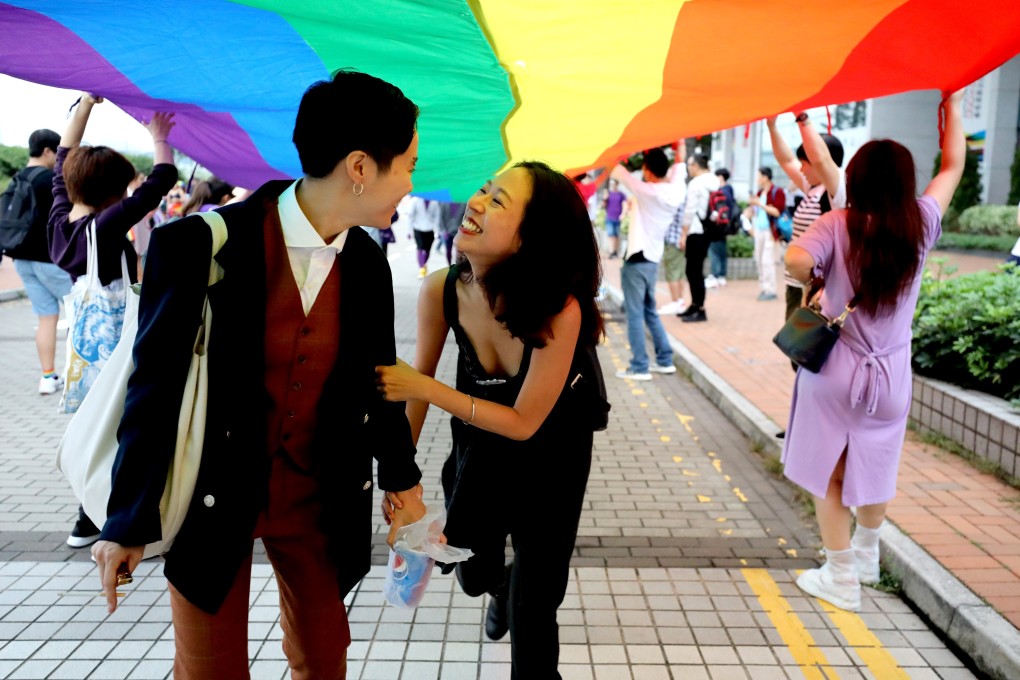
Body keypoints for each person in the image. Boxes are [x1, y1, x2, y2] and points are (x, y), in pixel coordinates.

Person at [90, 71, 427, 679]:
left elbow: (379, 382)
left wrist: (403, 481)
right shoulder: (199, 246)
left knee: (324, 659)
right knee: (211, 670)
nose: (411, 182)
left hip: (316, 494)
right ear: (359, 166)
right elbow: (155, 387)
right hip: (211, 490)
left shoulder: (368, 263)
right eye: (406, 165)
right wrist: (127, 520)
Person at [376, 161, 606, 679]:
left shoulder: (559, 308)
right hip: (481, 447)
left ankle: (526, 606)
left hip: (555, 451)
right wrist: (400, 480)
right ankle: (501, 586)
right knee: (471, 572)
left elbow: (525, 421)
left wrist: (427, 389)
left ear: (530, 238)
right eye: (482, 190)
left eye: (498, 201)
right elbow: (414, 395)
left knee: (539, 600)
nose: (475, 203)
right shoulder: (442, 290)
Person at [782, 92, 965, 612]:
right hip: (891, 378)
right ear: (906, 183)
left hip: (835, 372)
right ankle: (867, 551)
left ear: (855, 179)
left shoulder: (836, 223)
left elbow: (796, 260)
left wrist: (814, 277)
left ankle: (841, 577)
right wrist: (950, 107)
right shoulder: (923, 223)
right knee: (879, 459)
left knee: (830, 471)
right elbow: (953, 164)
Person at [48, 95, 178, 550]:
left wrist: (85, 104)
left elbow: (64, 157)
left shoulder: (61, 220)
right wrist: (159, 138)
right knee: (119, 430)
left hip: (84, 354)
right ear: (111, 193)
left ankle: (88, 516)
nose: (127, 197)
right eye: (123, 190)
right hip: (116, 349)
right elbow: (162, 181)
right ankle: (93, 517)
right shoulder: (104, 226)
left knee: (98, 428)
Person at [2, 129, 71, 395]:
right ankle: (74, 374)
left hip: (21, 258)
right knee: (77, 315)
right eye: (57, 154)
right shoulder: (49, 180)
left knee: (46, 318)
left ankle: (47, 377)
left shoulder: (17, 178)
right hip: (50, 259)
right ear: (47, 151)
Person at [609, 148, 684, 379]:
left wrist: (617, 148)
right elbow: (680, 162)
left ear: (647, 170)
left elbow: (616, 170)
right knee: (650, 312)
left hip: (637, 259)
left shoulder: (647, 191)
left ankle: (639, 366)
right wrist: (678, 143)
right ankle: (664, 360)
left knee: (634, 314)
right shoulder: (677, 189)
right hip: (652, 260)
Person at [767, 114, 845, 324]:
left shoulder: (835, 191)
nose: (801, 168)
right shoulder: (812, 188)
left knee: (808, 349)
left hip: (818, 288)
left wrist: (802, 118)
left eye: (805, 163)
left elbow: (820, 158)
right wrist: (772, 126)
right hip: (796, 281)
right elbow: (786, 160)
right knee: (796, 345)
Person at [677, 154, 719, 323]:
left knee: (693, 271)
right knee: (696, 270)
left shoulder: (696, 183)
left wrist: (683, 235)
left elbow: (689, 211)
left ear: (696, 166)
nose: (688, 168)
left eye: (689, 165)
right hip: (708, 230)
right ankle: (695, 305)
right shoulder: (715, 180)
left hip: (695, 231)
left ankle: (699, 309)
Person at [746, 167, 785, 301]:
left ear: (765, 177)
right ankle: (764, 287)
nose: (757, 179)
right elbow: (756, 211)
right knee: (759, 259)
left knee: (767, 261)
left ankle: (771, 289)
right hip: (759, 229)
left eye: (759, 176)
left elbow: (777, 211)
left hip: (770, 231)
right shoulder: (760, 192)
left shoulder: (777, 191)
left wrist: (760, 204)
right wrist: (752, 206)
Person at [705, 168, 738, 289]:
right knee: (721, 250)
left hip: (717, 225)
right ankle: (721, 276)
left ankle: (715, 275)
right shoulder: (730, 191)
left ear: (721, 177)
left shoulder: (721, 192)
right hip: (726, 225)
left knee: (714, 251)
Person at [657, 199, 688, 316]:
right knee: (679, 272)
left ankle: (675, 303)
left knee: (672, 273)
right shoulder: (685, 201)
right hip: (680, 241)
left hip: (673, 240)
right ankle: (679, 301)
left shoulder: (675, 201)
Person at [408, 195, 441, 278]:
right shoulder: (415, 200)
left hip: (430, 229)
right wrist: (409, 231)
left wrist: (438, 231)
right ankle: (421, 268)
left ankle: (424, 263)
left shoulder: (434, 201)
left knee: (427, 250)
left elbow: (437, 217)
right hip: (418, 228)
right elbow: (410, 216)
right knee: (420, 247)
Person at [603, 179, 626, 258]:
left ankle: (615, 251)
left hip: (618, 217)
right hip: (609, 217)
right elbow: (603, 205)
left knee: (616, 235)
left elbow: (624, 205)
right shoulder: (608, 194)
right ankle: (611, 251)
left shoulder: (621, 194)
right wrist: (605, 198)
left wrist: (623, 214)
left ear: (617, 184)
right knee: (610, 235)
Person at [438, 201, 464, 265]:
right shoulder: (444, 204)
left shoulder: (464, 204)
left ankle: (457, 265)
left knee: (459, 251)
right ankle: (449, 265)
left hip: (459, 232)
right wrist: (443, 230)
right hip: (448, 231)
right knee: (448, 250)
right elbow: (441, 218)